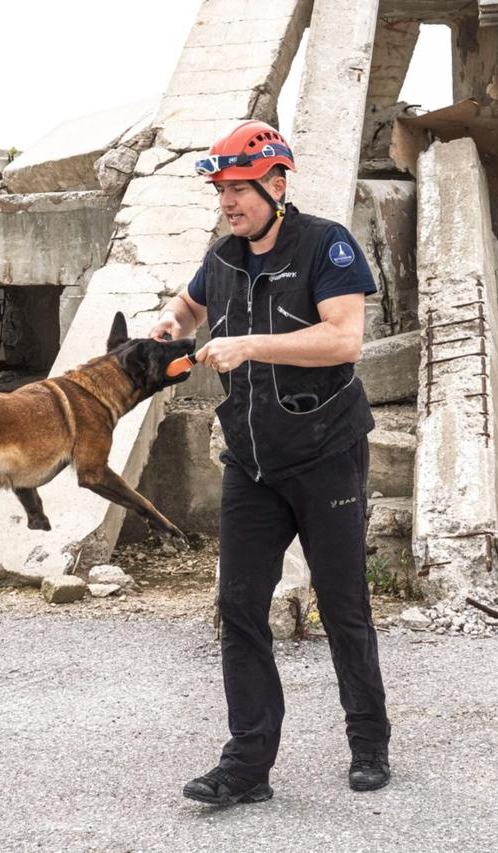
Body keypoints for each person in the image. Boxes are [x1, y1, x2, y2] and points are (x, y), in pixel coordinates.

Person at [148, 120, 391, 806]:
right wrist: (171, 325)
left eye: (239, 190)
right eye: (220, 190)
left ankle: (369, 740)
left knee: (343, 603)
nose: (227, 202)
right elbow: (191, 307)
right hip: (251, 461)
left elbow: (344, 340)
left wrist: (251, 345)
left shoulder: (326, 245)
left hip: (326, 454)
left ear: (276, 185)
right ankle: (247, 763)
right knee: (238, 604)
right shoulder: (223, 255)